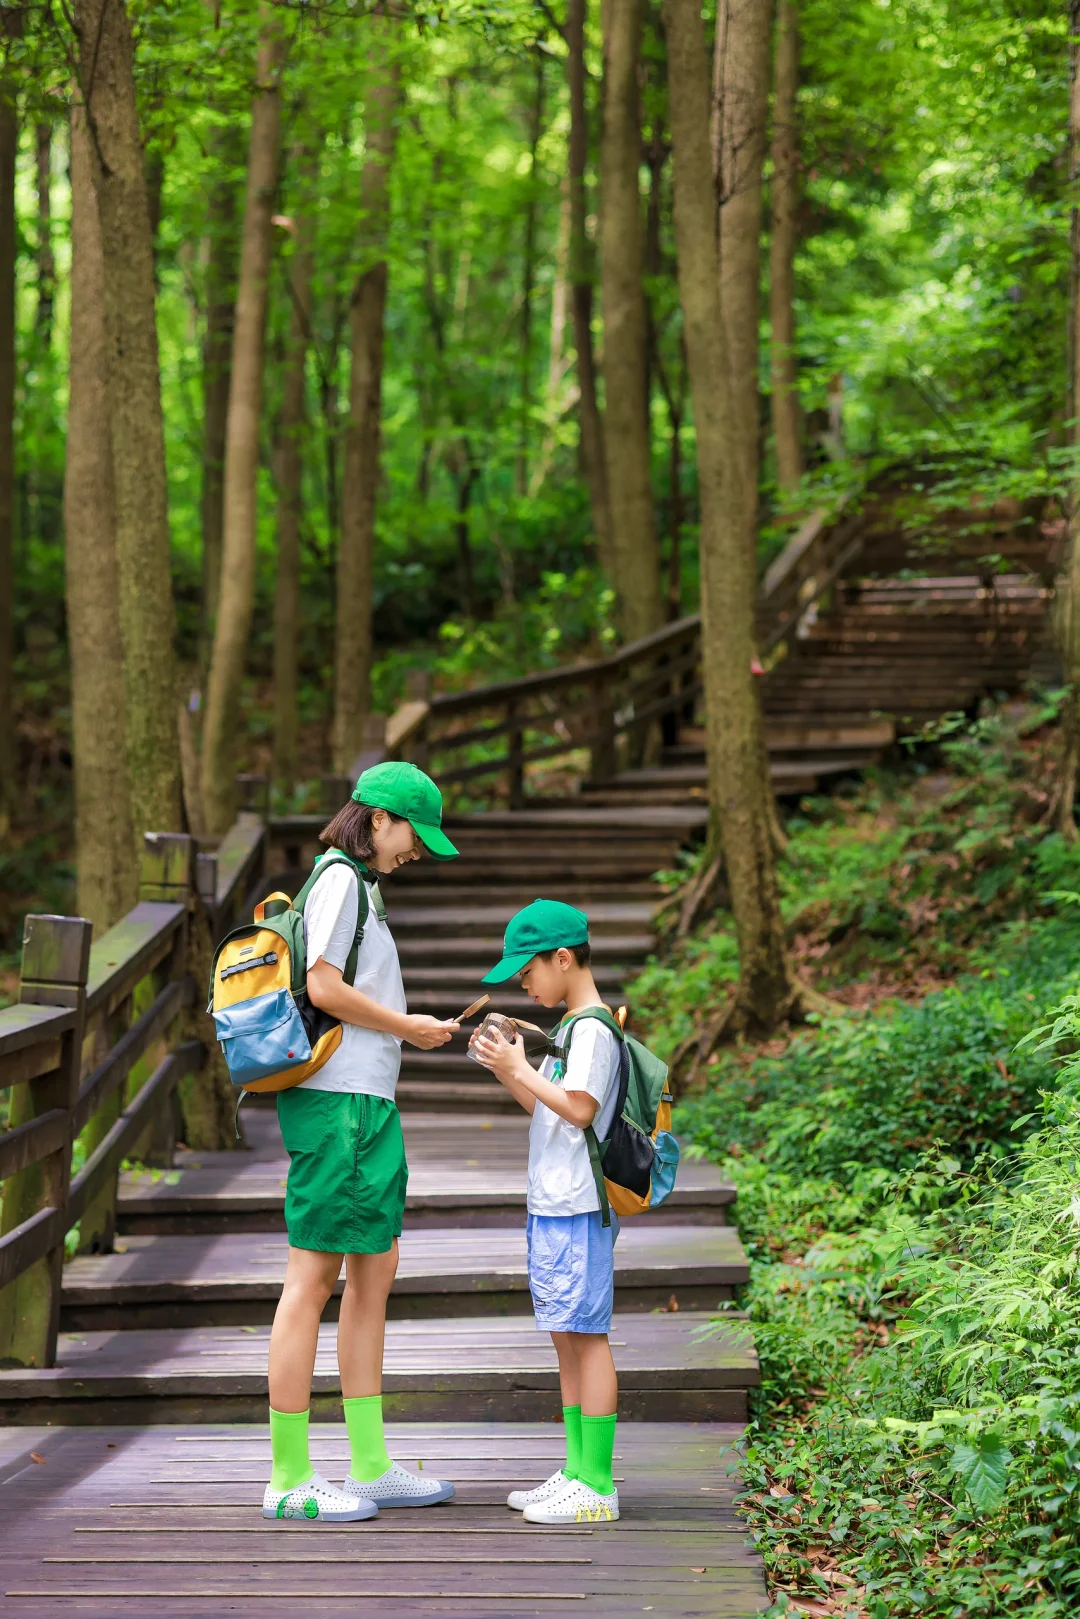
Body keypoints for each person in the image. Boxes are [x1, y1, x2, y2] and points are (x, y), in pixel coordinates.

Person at [263, 761, 461, 1523]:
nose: (417, 850)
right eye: (415, 834)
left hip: (367, 1101)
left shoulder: (364, 888)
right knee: (313, 1276)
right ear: (378, 818)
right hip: (335, 1102)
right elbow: (323, 987)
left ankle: (371, 1462)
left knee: (375, 1268)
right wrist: (409, 1025)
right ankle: (289, 1476)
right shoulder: (342, 877)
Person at [473, 899, 621, 1525]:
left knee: (586, 1337)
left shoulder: (591, 1028)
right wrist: (512, 1070)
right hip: (554, 1199)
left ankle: (600, 1483)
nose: (524, 983)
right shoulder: (569, 1028)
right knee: (566, 1335)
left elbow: (582, 1109)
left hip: (579, 1202)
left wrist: (518, 1066)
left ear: (563, 959)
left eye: (528, 971)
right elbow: (551, 1110)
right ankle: (576, 1467)